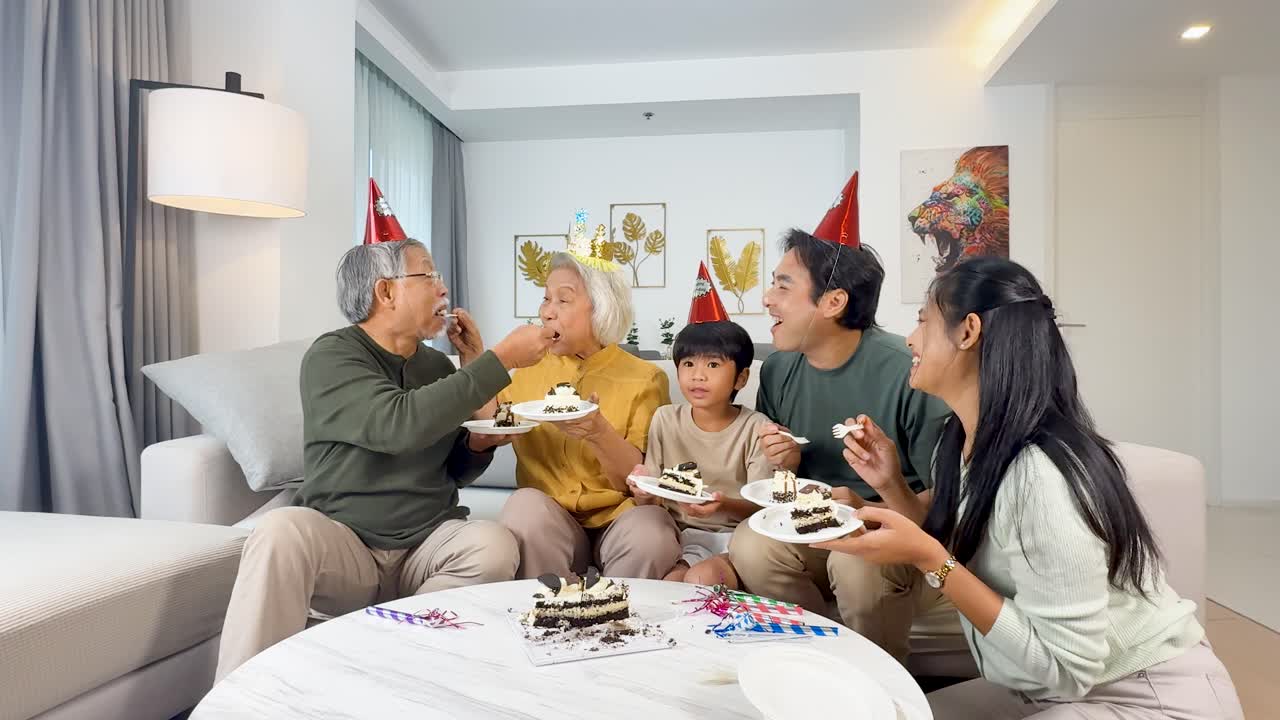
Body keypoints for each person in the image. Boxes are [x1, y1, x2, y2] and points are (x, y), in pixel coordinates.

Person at [817, 257, 1243, 719]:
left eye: (923, 320)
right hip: (1044, 691)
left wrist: (928, 559)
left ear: (968, 331)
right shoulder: (961, 439)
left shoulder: (1040, 474)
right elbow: (960, 539)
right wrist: (891, 483)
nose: (910, 338)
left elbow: (1064, 668)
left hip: (1149, 696)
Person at [216, 239, 554, 681]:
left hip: (425, 545)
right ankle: (240, 700)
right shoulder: (332, 357)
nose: (442, 288)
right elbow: (398, 425)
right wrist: (500, 359)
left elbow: (454, 468)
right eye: (429, 275)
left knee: (493, 544)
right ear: (386, 292)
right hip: (348, 545)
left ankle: (392, 664)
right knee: (280, 532)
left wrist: (477, 441)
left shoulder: (435, 366)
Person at [728, 225, 949, 663]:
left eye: (782, 285)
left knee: (857, 561)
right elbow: (782, 483)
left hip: (893, 532)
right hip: (811, 526)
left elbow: (944, 504)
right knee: (749, 545)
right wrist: (785, 462)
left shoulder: (910, 371)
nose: (767, 298)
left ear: (833, 302)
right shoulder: (777, 369)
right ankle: (820, 662)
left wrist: (867, 507)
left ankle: (882, 690)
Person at [498, 241, 679, 580]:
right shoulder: (524, 370)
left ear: (602, 309)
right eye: (546, 298)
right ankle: (552, 617)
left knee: (652, 531)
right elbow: (487, 427)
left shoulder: (645, 378)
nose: (547, 312)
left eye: (563, 300)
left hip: (620, 518)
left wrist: (597, 432)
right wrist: (482, 355)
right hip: (552, 520)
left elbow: (639, 481)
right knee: (524, 507)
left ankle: (617, 622)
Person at [628, 264, 772, 588]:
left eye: (713, 364)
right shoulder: (665, 419)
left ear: (742, 377)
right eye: (688, 364)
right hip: (682, 539)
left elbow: (763, 506)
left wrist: (722, 505)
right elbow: (650, 498)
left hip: (738, 541)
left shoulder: (755, 427)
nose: (698, 375)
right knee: (670, 585)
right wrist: (641, 490)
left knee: (700, 578)